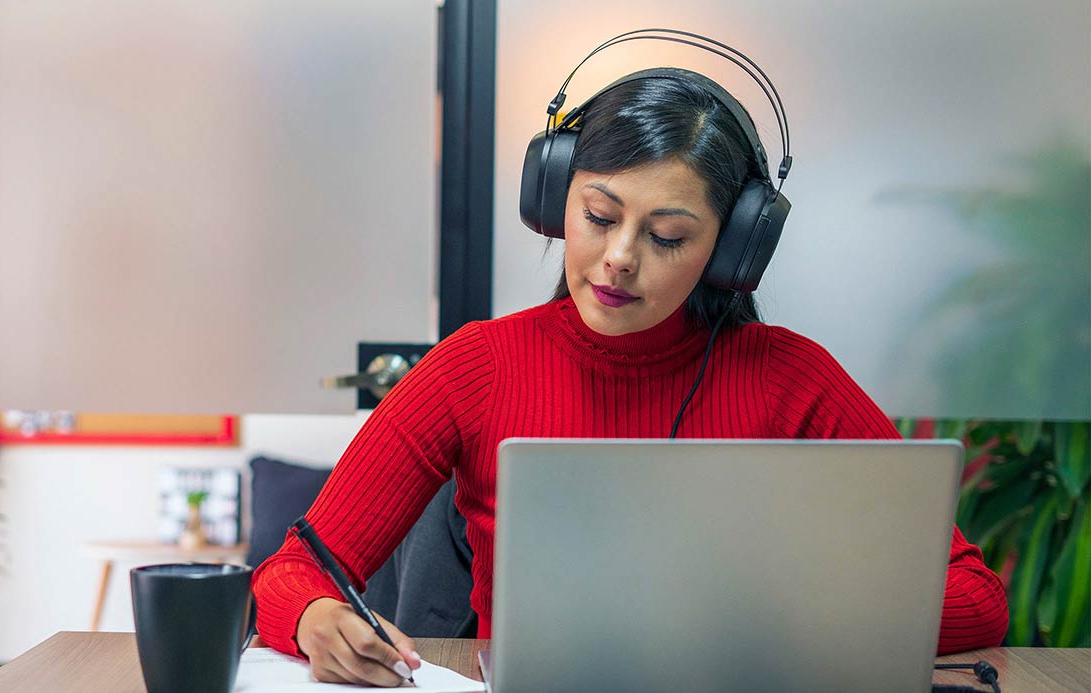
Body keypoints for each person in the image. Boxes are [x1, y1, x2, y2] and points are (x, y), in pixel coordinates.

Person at [251, 66, 1009, 687]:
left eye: (668, 235)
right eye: (599, 214)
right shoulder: (475, 366)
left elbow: (976, 597)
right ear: (556, 201)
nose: (618, 256)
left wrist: (765, 613)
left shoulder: (791, 378)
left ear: (731, 249)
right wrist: (317, 617)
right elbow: (293, 570)